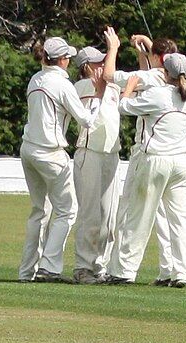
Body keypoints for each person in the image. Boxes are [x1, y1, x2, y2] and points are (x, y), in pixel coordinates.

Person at [105, 53, 186, 287]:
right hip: (182, 162)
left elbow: (122, 107)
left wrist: (130, 86)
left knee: (139, 216)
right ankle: (181, 273)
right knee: (181, 220)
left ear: (165, 71)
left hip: (157, 160)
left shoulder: (157, 95)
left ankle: (125, 271)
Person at [19, 37, 104, 283]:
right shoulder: (62, 84)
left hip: (28, 149)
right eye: (68, 57)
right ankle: (49, 268)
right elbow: (86, 121)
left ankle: (27, 271)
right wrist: (97, 98)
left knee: (39, 211)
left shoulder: (35, 78)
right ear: (63, 59)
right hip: (50, 152)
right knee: (68, 211)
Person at [101, 27, 177, 285]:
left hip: (148, 152)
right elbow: (150, 73)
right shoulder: (176, 79)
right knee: (168, 217)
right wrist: (145, 48)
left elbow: (110, 75)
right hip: (176, 155)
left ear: (158, 58)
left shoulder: (152, 78)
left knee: (131, 213)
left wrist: (113, 48)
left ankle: (121, 271)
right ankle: (172, 271)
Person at [71, 46, 122, 284]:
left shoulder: (112, 86)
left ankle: (100, 265)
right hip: (89, 153)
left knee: (109, 219)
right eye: (98, 62)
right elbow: (93, 102)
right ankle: (83, 267)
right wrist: (113, 48)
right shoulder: (81, 87)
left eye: (105, 61)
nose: (104, 66)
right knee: (90, 214)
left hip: (111, 153)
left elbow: (145, 79)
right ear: (86, 66)